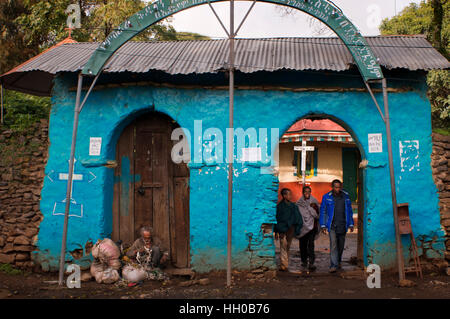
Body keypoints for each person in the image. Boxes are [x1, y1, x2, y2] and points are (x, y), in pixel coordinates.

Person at [319, 179, 354, 273]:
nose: (337, 189)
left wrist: (351, 223)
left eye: (339, 187)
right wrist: (323, 225)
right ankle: (333, 265)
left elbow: (349, 211)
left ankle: (338, 261)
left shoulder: (346, 196)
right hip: (332, 226)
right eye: (335, 187)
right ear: (332, 187)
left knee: (341, 246)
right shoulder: (327, 197)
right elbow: (323, 211)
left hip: (343, 225)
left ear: (341, 187)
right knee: (333, 245)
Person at [274, 188, 303, 271]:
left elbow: (297, 218)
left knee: (287, 246)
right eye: (288, 194)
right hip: (282, 230)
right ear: (284, 196)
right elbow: (278, 219)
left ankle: (285, 263)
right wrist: (279, 230)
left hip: (291, 230)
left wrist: (296, 228)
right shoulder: (280, 207)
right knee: (283, 246)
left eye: (290, 194)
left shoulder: (293, 206)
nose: (290, 196)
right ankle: (284, 265)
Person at [296, 186, 320, 271]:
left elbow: (317, 214)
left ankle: (311, 262)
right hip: (303, 227)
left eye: (309, 191)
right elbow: (297, 215)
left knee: (311, 245)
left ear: (311, 192)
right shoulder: (299, 203)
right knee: (302, 245)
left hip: (312, 227)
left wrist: (312, 209)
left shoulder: (314, 201)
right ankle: (304, 261)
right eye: (305, 192)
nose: (307, 193)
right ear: (303, 192)